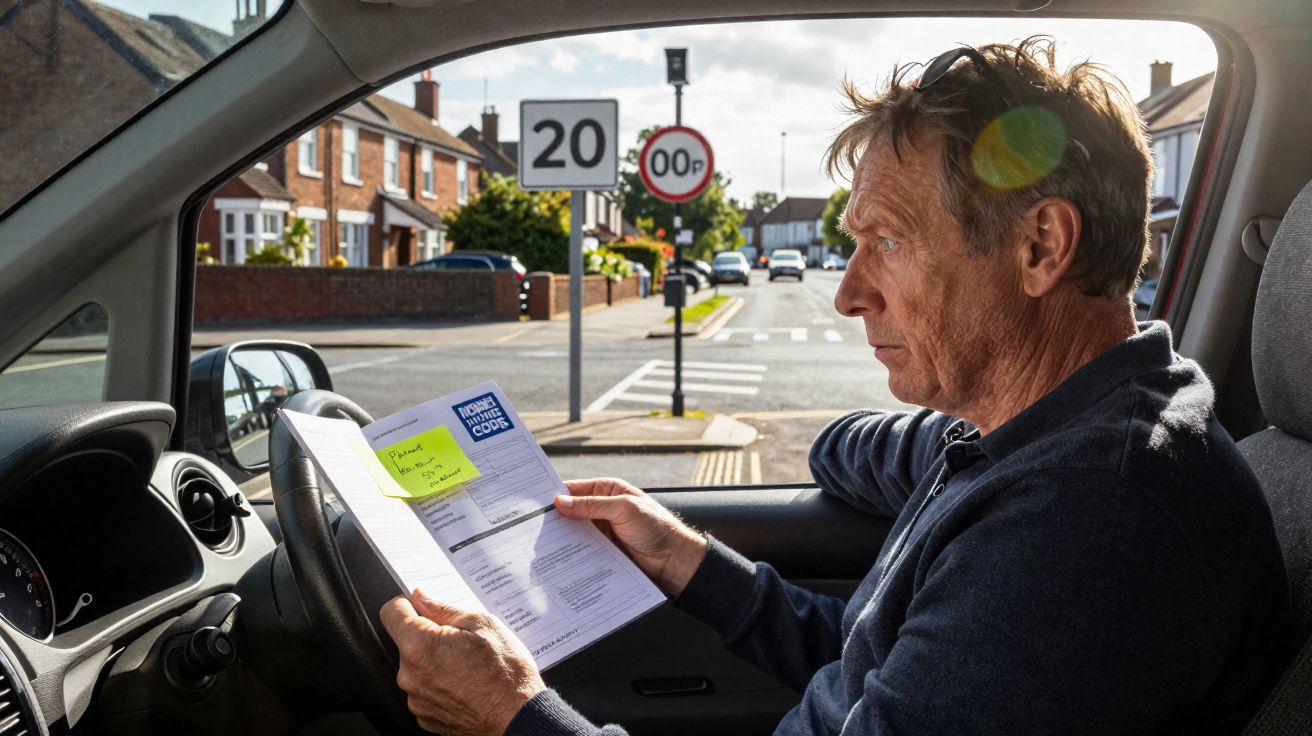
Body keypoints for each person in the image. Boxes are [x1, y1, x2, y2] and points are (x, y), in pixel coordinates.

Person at [379, 38, 1292, 735]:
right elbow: (876, 662)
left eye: (887, 243)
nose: (851, 293)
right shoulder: (1029, 428)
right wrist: (686, 557)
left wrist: (517, 715)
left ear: (1040, 247)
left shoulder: (1092, 525)